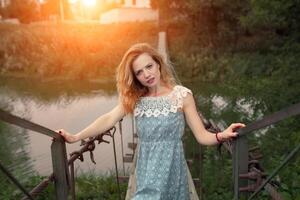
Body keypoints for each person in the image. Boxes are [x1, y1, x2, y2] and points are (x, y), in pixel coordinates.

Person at [57, 43, 245, 200]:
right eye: (139, 72)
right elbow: (108, 118)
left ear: (158, 64)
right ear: (135, 77)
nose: (146, 74)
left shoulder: (181, 95)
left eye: (149, 66)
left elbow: (202, 136)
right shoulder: (135, 98)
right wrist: (76, 136)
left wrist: (222, 135)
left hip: (173, 169)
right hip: (146, 171)